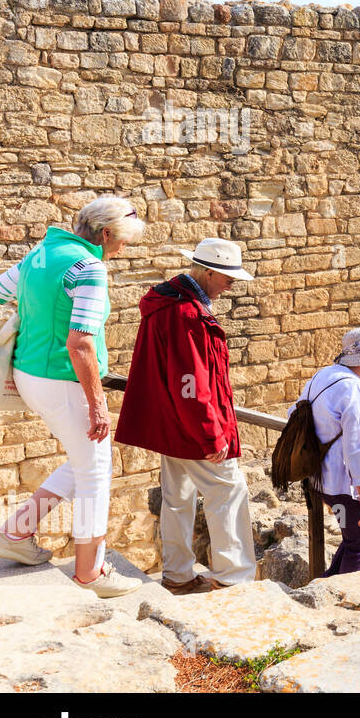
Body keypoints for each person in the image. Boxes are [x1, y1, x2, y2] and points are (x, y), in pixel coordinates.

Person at [0, 197, 144, 597]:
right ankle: (91, 572)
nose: (123, 249)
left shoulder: (40, 254)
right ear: (106, 234)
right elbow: (80, 344)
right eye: (123, 241)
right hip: (64, 382)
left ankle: (16, 532)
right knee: (96, 471)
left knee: (83, 461)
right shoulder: (89, 267)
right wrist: (98, 406)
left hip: (28, 375)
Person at [116, 237, 257, 594]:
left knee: (178, 497)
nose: (232, 284)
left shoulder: (167, 305)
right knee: (229, 489)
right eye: (228, 277)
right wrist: (212, 435)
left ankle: (178, 575)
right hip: (191, 426)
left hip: (170, 424)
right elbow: (191, 382)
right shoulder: (187, 315)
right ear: (208, 272)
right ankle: (233, 578)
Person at [296, 326, 360, 578]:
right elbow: (357, 444)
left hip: (319, 476)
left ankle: (329, 581)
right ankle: (347, 602)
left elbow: (293, 415)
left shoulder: (323, 375)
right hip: (344, 485)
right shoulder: (354, 389)